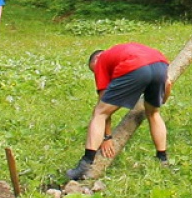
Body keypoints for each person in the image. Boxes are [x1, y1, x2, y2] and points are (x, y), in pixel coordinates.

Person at [66, 42, 172, 181]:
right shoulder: (129, 50)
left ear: (96, 59)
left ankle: (85, 164)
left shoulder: (101, 60)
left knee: (99, 113)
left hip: (135, 67)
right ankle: (162, 158)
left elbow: (103, 105)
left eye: (94, 71)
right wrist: (161, 99)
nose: (97, 73)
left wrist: (107, 137)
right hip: (160, 64)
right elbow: (168, 83)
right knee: (153, 113)